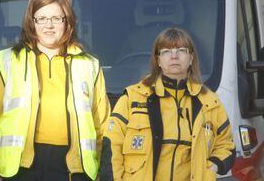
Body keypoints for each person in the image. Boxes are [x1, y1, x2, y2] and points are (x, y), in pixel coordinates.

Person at [0, 0, 110, 181]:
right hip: (18, 170)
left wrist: (103, 171)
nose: (49, 25)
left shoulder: (89, 65)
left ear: (68, 22)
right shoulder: (8, 61)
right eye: (42, 18)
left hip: (74, 169)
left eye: (56, 18)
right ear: (32, 22)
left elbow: (102, 124)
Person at [100, 27, 235, 181]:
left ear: (191, 58)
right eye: (166, 51)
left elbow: (227, 146)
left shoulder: (210, 103)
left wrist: (212, 167)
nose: (174, 56)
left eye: (181, 50)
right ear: (158, 60)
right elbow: (111, 146)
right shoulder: (133, 98)